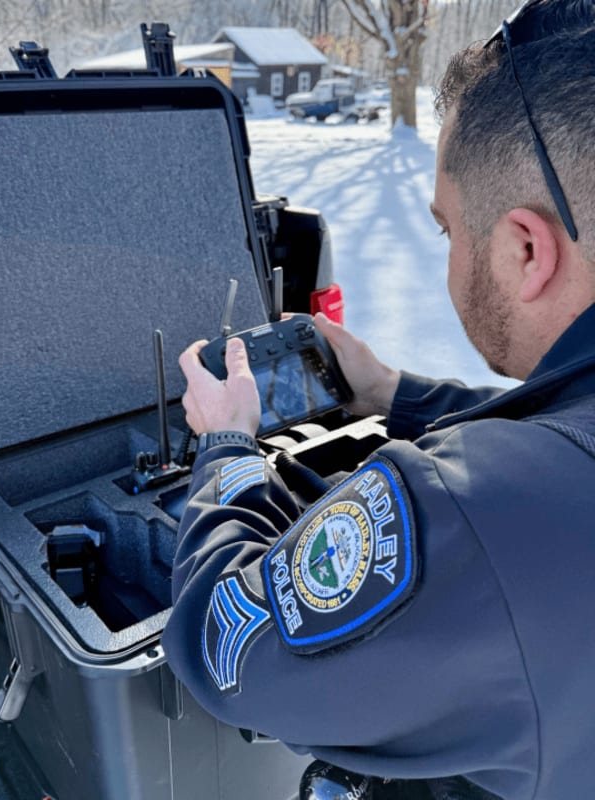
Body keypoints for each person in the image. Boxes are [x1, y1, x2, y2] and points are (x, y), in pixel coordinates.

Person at [160, 1, 595, 798]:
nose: (448, 255)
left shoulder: (481, 513)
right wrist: (394, 394)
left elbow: (228, 645)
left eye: (448, 232)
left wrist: (227, 451)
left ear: (525, 250)